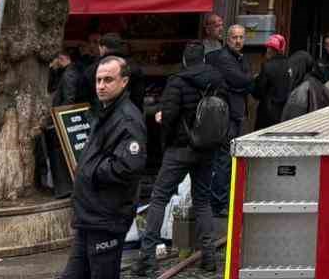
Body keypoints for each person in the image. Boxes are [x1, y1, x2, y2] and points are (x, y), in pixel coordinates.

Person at [136, 43, 219, 277]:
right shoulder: (216, 79)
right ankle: (209, 257)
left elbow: (169, 115)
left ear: (184, 60)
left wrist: (161, 120)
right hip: (206, 148)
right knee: (202, 201)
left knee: (159, 198)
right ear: (203, 59)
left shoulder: (177, 81)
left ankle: (147, 258)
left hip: (180, 148)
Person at [62, 56, 146, 279]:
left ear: (124, 82)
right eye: (98, 80)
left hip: (106, 217)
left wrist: (90, 171)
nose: (101, 85)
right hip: (89, 216)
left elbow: (127, 166)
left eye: (108, 80)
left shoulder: (127, 118)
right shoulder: (106, 112)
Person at [208, 23, 253, 220]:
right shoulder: (225, 58)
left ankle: (223, 200)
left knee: (228, 158)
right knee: (224, 159)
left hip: (235, 113)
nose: (238, 41)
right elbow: (242, 80)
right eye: (235, 37)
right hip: (227, 114)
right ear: (227, 39)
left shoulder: (240, 58)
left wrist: (243, 82)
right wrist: (243, 82)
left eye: (241, 37)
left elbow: (246, 81)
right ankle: (218, 203)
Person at [250, 34, 294, 130]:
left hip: (267, 114)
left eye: (269, 48)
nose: (267, 50)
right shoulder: (289, 65)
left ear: (272, 50)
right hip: (284, 112)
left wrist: (255, 81)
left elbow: (258, 92)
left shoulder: (268, 66)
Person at [99, 34, 145, 111]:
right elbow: (139, 95)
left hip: (105, 113)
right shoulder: (134, 66)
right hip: (133, 111)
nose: (101, 86)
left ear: (103, 48)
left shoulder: (97, 67)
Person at [281, 52, 329, 120]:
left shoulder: (300, 91)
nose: (289, 71)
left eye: (291, 67)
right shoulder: (318, 83)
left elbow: (294, 120)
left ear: (299, 68)